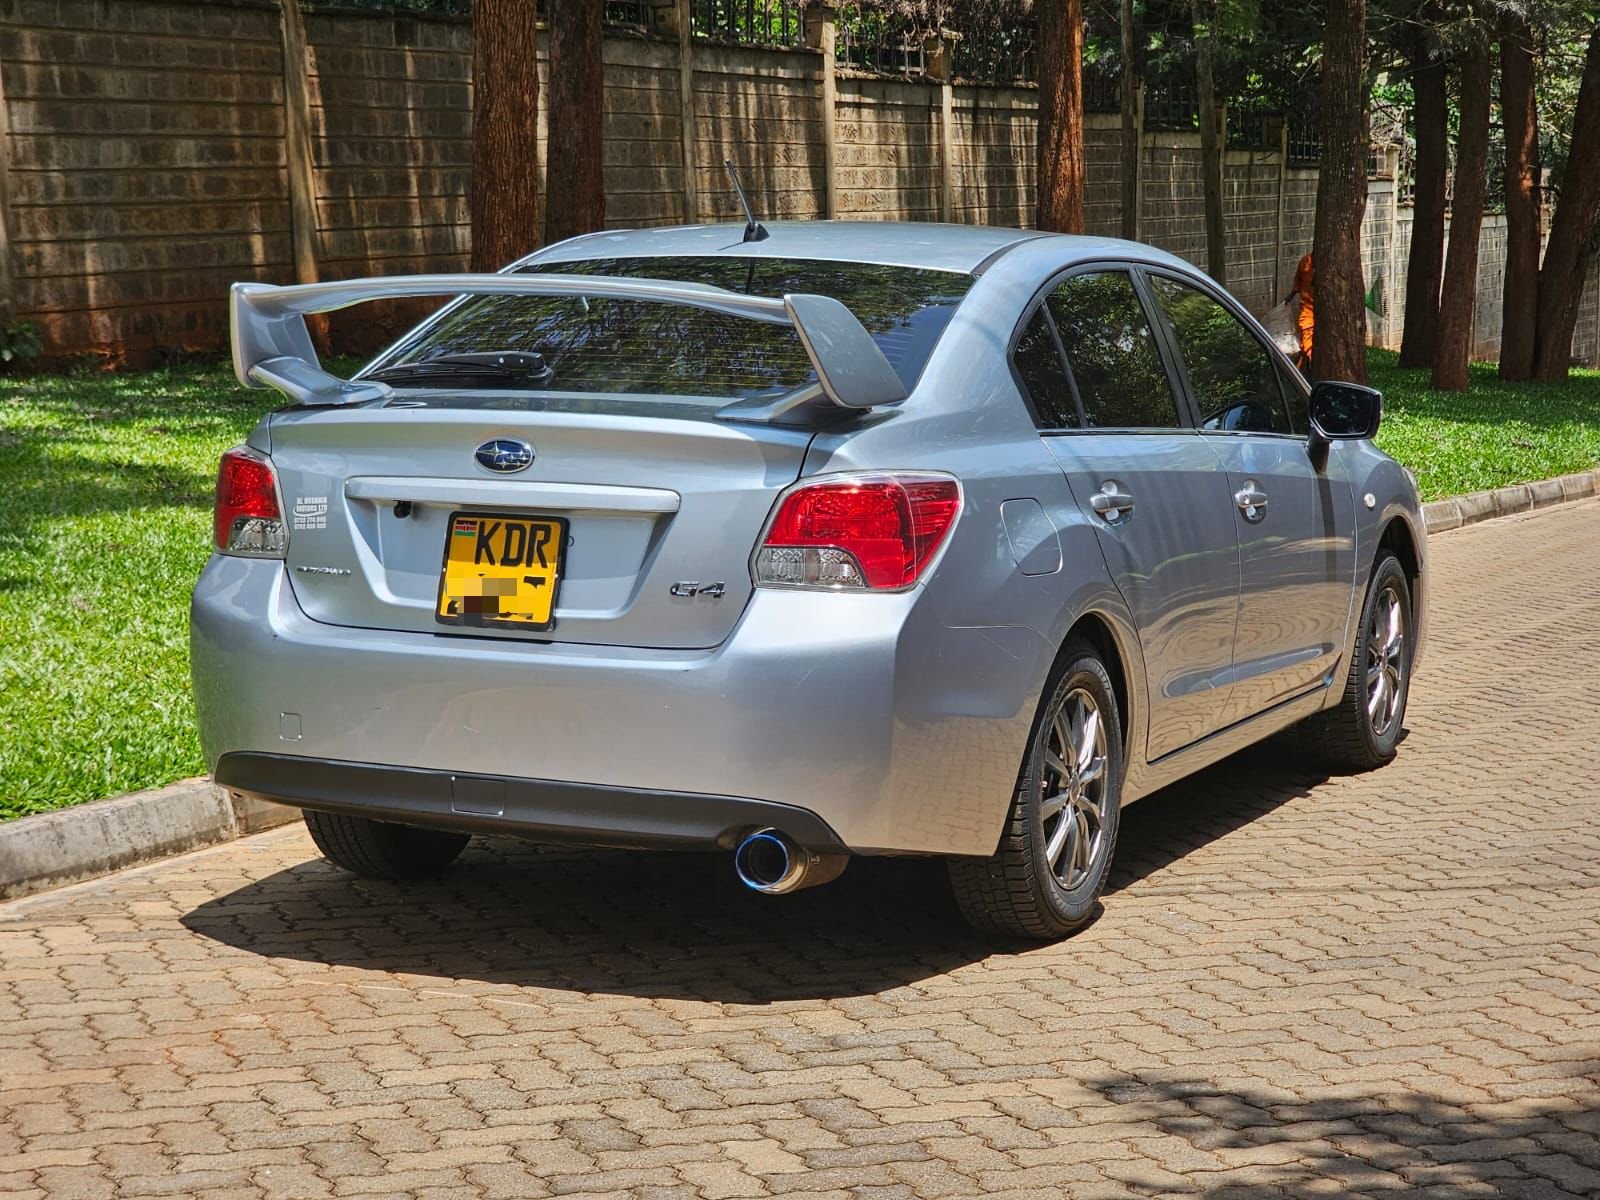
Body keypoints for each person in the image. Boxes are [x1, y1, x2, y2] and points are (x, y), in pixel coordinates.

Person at [1290, 252, 1314, 371]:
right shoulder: (1305, 261)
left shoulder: (1332, 265)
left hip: (1325, 313)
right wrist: (1290, 297)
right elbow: (1298, 281)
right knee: (1307, 339)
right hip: (1308, 310)